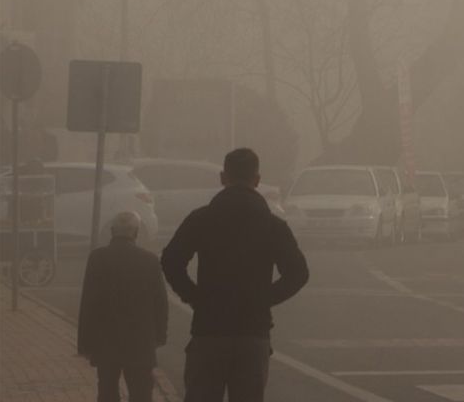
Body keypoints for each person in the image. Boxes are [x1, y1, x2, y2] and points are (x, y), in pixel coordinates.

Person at [162, 148, 309, 402]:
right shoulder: (272, 225)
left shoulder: (202, 218)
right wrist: (263, 299)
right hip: (253, 332)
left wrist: (194, 297)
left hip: (209, 329)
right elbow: (298, 273)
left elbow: (171, 261)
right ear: (257, 180)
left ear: (223, 177)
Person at [78, 211, 168, 402]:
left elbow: (88, 303)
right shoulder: (149, 260)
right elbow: (160, 303)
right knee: (141, 393)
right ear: (136, 233)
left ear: (112, 231)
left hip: (106, 341)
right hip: (140, 342)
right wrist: (159, 336)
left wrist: (85, 343)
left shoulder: (97, 258)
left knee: (107, 391)